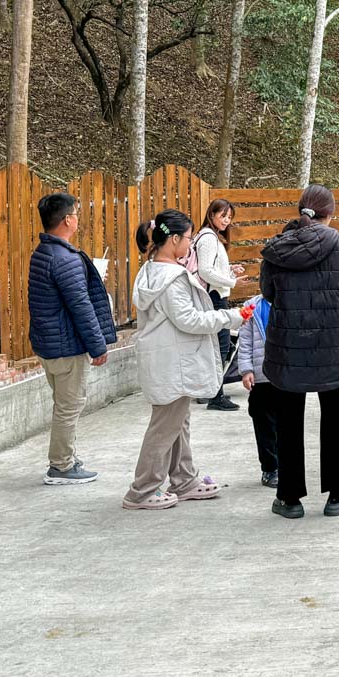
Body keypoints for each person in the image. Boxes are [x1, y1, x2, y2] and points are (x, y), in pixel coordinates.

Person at [260, 187, 339, 520]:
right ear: (331, 213)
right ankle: (336, 495)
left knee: (289, 424)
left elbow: (268, 293)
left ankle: (290, 498)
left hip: (287, 350)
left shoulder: (276, 249)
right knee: (336, 423)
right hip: (335, 350)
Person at [123, 210, 244, 510]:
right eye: (188, 238)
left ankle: (184, 478)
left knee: (178, 422)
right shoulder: (172, 278)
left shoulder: (151, 270)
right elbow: (189, 319)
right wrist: (233, 317)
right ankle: (142, 489)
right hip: (172, 362)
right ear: (174, 239)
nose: (190, 244)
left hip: (166, 361)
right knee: (164, 427)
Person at [28, 192, 117, 485]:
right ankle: (61, 466)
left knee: (62, 404)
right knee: (69, 406)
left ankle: (65, 458)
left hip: (48, 344)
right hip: (66, 347)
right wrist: (98, 346)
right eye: (76, 213)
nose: (78, 218)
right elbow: (80, 305)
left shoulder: (43, 253)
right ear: (67, 220)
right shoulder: (65, 259)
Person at [193, 199, 247, 412]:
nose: (226, 220)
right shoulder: (208, 237)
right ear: (211, 214)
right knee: (220, 346)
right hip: (214, 297)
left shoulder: (213, 237)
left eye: (229, 217)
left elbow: (211, 269)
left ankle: (210, 391)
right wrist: (233, 282)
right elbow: (206, 271)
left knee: (217, 345)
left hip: (216, 295)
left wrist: (230, 270)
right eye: (223, 215)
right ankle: (216, 395)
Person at [237, 290, 278, 491]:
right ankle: (270, 468)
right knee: (264, 424)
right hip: (261, 377)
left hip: (286, 376)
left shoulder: (291, 302)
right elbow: (244, 342)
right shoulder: (252, 306)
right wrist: (246, 370)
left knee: (286, 424)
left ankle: (288, 466)